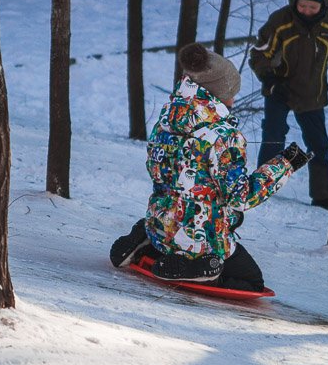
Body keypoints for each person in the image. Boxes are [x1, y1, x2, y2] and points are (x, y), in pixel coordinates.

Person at [109, 42, 312, 290]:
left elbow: (158, 170)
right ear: (218, 93)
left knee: (176, 211)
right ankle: (199, 268)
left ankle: (145, 237)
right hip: (201, 237)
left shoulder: (168, 118)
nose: (234, 99)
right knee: (251, 281)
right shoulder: (223, 135)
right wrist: (285, 165)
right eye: (232, 92)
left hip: (160, 224)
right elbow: (240, 198)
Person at [250, 0, 328, 210]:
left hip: (312, 94)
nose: (307, 11)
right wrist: (270, 80)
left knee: (319, 146)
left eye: (313, 7)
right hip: (279, 91)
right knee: (273, 137)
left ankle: (323, 196)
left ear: (324, 4)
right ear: (294, 2)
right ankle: (261, 189)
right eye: (302, 6)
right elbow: (260, 54)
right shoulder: (280, 22)